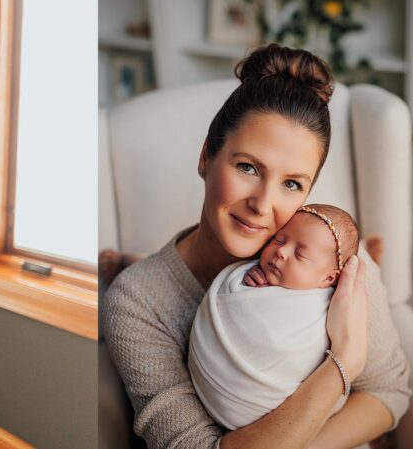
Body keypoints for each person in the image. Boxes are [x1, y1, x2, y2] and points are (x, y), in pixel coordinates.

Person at [101, 44, 411, 448]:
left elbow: (390, 392)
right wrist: (342, 365)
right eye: (248, 167)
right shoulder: (138, 302)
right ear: (206, 158)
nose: (263, 205)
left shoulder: (335, 257)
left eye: (292, 184)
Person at [188, 204, 357, 430]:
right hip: (226, 396)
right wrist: (246, 281)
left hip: (280, 412)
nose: (281, 252)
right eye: (278, 240)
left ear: (328, 279)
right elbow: (232, 296)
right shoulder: (254, 273)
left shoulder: (330, 303)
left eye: (299, 254)